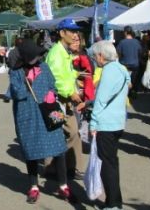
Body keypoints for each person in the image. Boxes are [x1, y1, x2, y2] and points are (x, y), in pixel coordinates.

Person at [9, 39, 74, 204]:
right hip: (27, 114)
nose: (37, 59)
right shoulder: (16, 71)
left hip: (50, 110)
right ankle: (33, 187)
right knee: (31, 150)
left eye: (38, 56)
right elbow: (17, 93)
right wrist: (29, 81)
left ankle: (63, 185)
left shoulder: (44, 67)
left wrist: (52, 93)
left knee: (59, 147)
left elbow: (53, 85)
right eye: (34, 56)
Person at [88, 41, 130, 210]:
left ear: (101, 55)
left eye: (94, 56)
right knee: (112, 162)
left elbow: (101, 100)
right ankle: (115, 201)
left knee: (107, 165)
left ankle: (112, 203)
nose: (93, 59)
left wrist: (93, 123)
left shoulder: (109, 71)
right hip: (118, 121)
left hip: (106, 124)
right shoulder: (121, 68)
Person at [44, 18, 85, 178]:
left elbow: (65, 74)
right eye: (72, 31)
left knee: (71, 132)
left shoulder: (64, 52)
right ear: (62, 33)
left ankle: (70, 167)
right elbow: (56, 79)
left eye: (76, 31)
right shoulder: (56, 53)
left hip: (64, 101)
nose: (75, 35)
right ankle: (53, 167)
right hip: (55, 101)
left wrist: (76, 76)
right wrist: (70, 92)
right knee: (59, 132)